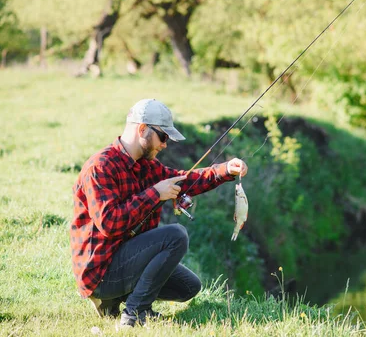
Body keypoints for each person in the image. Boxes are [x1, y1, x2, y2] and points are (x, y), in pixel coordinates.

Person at [69, 98, 247, 327]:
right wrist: (155, 194)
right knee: (176, 235)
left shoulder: (147, 166)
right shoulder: (100, 167)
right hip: (100, 273)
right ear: (142, 129)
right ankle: (135, 312)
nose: (165, 145)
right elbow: (109, 223)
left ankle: (111, 302)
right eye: (163, 137)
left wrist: (225, 170)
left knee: (189, 287)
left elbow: (185, 180)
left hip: (123, 261)